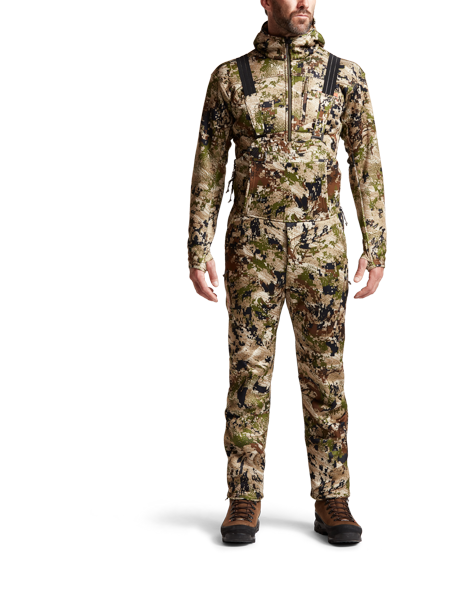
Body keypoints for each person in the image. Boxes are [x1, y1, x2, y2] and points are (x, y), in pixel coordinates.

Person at [188, 0, 386, 543]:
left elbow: (365, 163)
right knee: (248, 370)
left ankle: (332, 496)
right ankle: (244, 498)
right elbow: (210, 165)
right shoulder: (232, 78)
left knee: (325, 373)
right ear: (265, 1)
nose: (303, 2)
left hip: (322, 248)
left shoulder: (345, 77)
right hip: (251, 246)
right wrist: (200, 244)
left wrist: (375, 244)